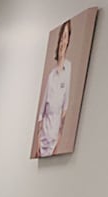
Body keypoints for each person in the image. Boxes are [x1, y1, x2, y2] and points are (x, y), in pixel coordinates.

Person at [37, 18, 72, 158]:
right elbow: (42, 112)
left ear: (68, 41)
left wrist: (59, 137)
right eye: (61, 38)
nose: (63, 42)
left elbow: (65, 106)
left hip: (53, 138)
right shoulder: (51, 75)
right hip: (44, 135)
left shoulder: (68, 68)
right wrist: (38, 140)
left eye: (66, 37)